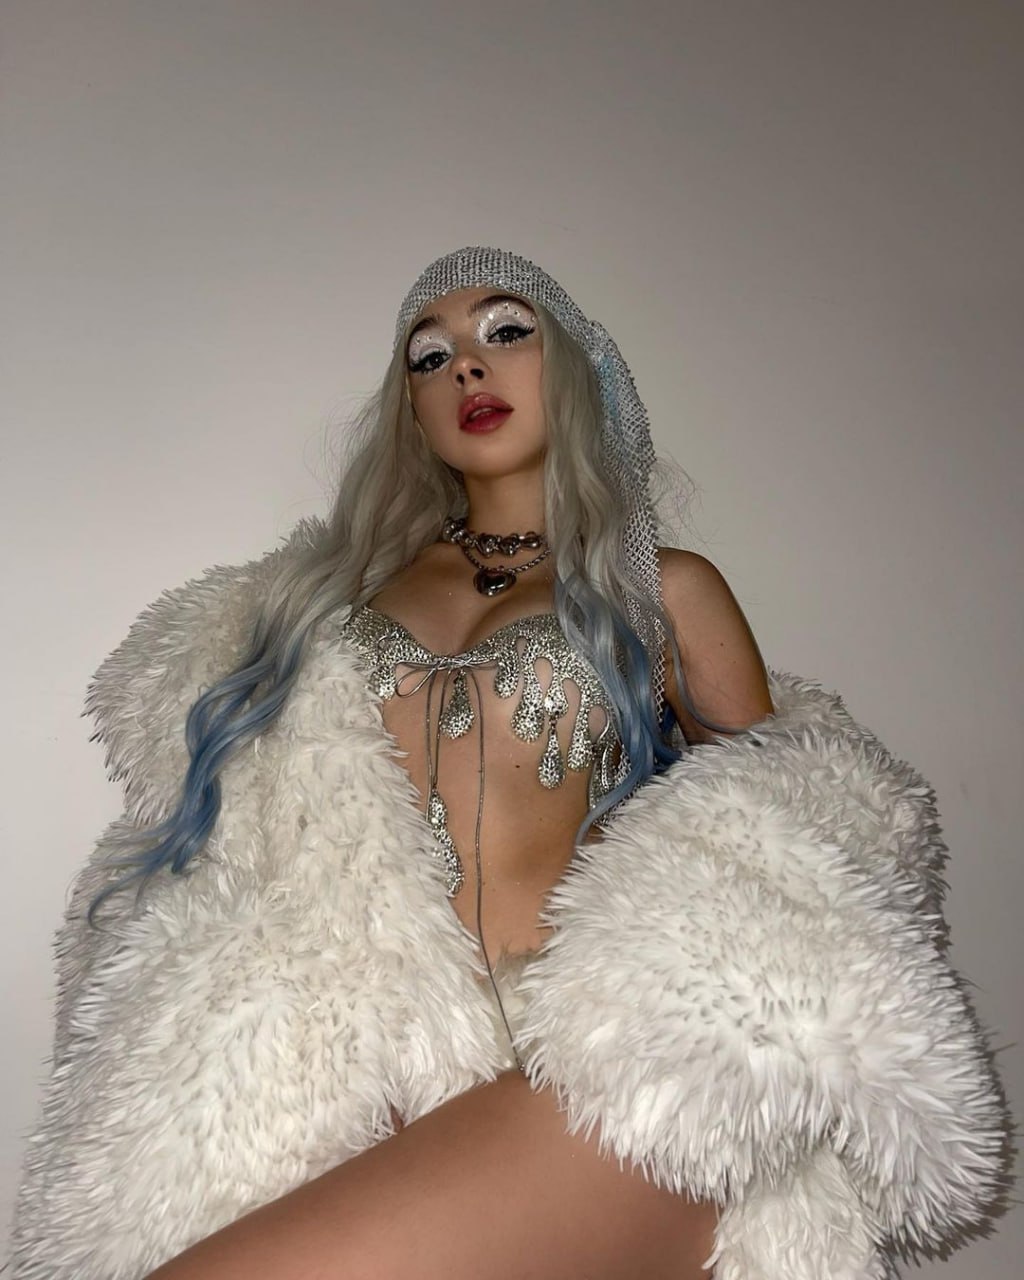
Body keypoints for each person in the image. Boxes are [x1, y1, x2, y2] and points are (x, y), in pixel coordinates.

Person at [9, 248, 1007, 1280]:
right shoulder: (329, 602)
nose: (467, 368)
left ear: (575, 367)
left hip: (601, 1077)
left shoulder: (663, 589)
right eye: (429, 355)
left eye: (505, 331)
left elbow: (791, 827)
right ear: (410, 410)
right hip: (378, 1075)